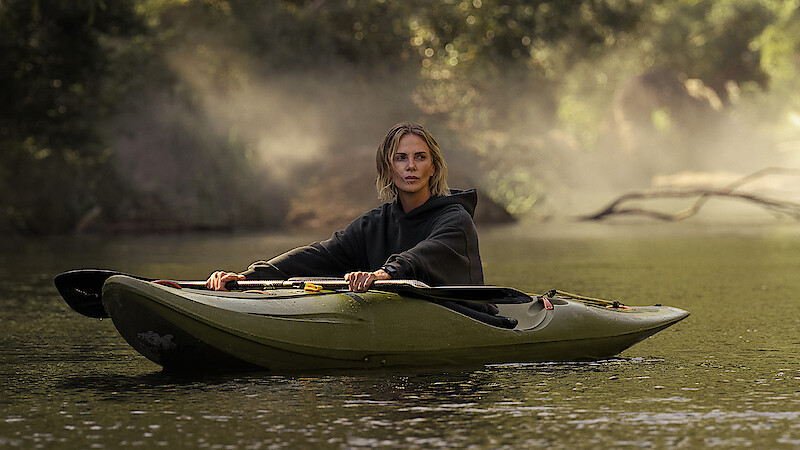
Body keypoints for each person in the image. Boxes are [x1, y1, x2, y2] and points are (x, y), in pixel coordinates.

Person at [206, 122, 484, 293]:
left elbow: (424, 256)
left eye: (419, 157)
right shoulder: (374, 224)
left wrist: (382, 274)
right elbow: (320, 255)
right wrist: (248, 276)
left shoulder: (455, 219)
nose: (410, 166)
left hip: (467, 318)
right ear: (388, 168)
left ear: (433, 167)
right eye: (401, 158)